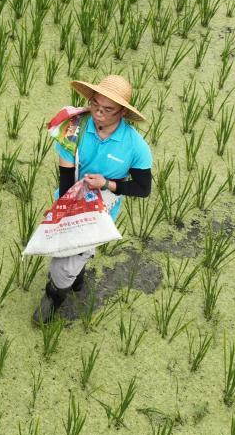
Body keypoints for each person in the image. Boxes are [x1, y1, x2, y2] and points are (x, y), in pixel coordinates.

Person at [33, 74, 154, 325]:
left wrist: (108, 184)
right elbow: (66, 173)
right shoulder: (74, 127)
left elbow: (143, 188)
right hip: (69, 195)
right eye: (96, 105)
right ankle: (77, 276)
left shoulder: (135, 146)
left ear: (122, 112)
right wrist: (61, 210)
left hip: (101, 209)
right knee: (64, 244)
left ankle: (53, 296)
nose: (99, 113)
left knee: (63, 264)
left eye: (108, 110)